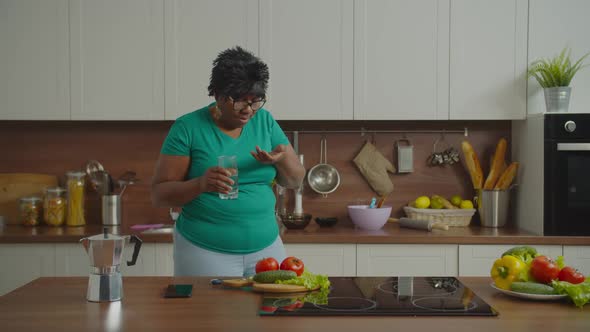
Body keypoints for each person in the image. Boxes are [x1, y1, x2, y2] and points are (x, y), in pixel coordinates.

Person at [151, 46, 305, 277]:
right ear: (218, 94)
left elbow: (295, 180)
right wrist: (201, 184)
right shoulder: (188, 128)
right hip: (204, 251)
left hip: (268, 249)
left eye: (256, 101)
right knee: (209, 313)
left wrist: (281, 160)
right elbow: (160, 194)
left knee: (275, 310)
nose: (248, 110)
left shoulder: (265, 121)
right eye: (240, 101)